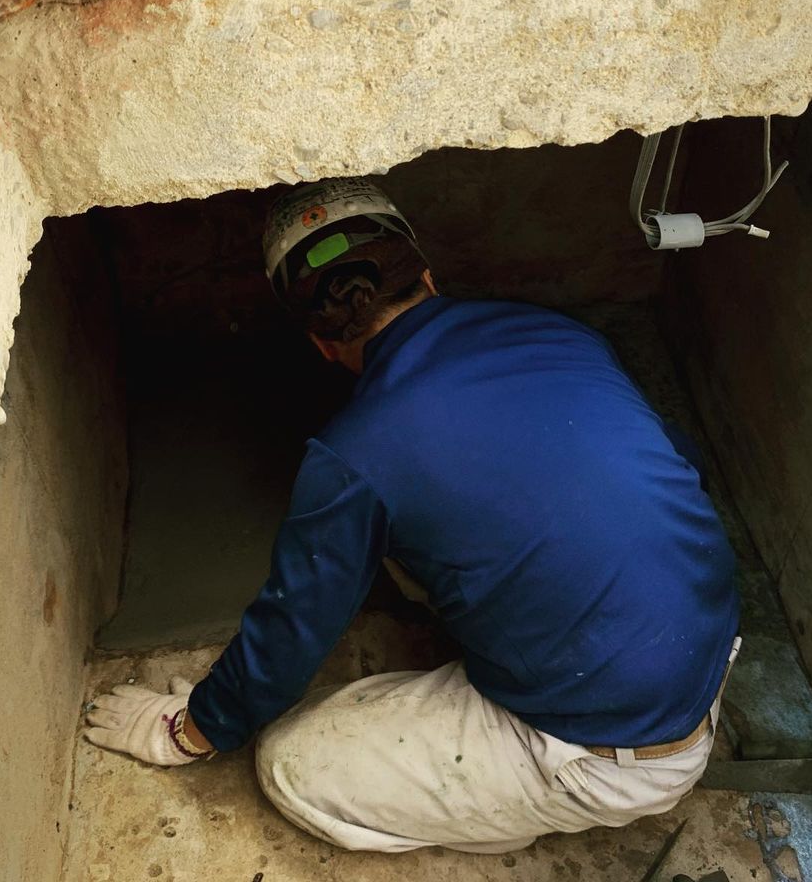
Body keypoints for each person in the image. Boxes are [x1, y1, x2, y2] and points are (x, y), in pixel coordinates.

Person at [84, 176, 740, 854]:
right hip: (705, 651)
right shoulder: (558, 332)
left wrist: (194, 728)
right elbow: (679, 463)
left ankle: (517, 803)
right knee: (441, 527)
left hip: (611, 753)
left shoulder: (353, 457)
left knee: (290, 763)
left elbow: (293, 628)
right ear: (427, 278)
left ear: (319, 344)